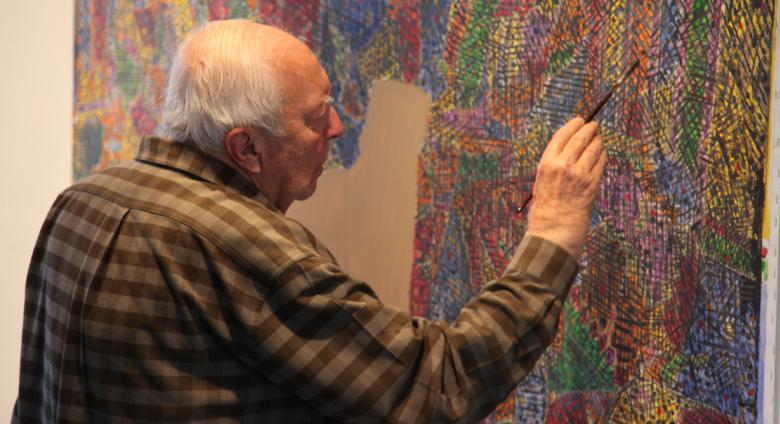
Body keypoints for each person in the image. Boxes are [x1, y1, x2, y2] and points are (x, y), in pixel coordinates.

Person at [14, 19, 606, 423]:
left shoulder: (80, 202)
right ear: (246, 149)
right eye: (316, 115)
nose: (337, 129)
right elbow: (441, 386)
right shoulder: (244, 247)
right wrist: (552, 229)